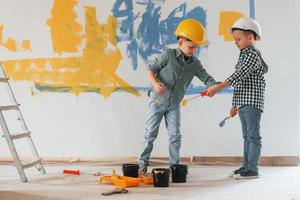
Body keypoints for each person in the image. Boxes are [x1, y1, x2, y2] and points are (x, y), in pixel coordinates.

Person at [138, 18, 217, 173]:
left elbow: (206, 78)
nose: (193, 50)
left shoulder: (195, 64)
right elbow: (151, 69)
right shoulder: (168, 55)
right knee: (150, 133)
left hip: (174, 105)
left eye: (196, 48)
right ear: (180, 42)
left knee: (175, 136)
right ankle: (142, 163)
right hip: (157, 101)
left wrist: (213, 86)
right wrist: (155, 84)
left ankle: (174, 165)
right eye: (190, 47)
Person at [207, 17, 268, 179]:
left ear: (250, 37)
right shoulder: (243, 55)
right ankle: (246, 166)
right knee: (247, 136)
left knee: (253, 135)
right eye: (235, 40)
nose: (236, 42)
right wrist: (234, 105)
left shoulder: (252, 55)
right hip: (243, 102)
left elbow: (238, 76)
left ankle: (253, 169)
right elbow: (239, 83)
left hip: (252, 102)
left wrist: (217, 87)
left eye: (238, 39)